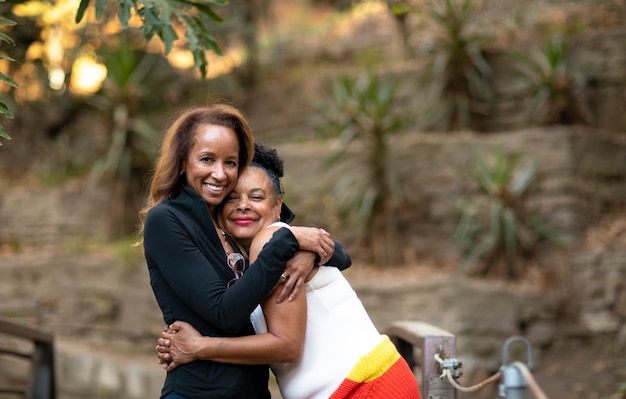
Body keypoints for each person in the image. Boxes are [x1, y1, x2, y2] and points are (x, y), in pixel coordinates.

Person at [156, 142, 421, 399]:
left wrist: (199, 347)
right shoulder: (266, 258)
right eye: (232, 198)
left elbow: (287, 346)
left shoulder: (270, 240)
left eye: (257, 196)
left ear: (278, 205)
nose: (243, 205)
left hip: (367, 387)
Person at [140, 104, 350, 399]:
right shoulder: (166, 219)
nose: (220, 173)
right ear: (183, 162)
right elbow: (223, 312)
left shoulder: (227, 224)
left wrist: (308, 252)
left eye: (230, 162)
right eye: (206, 159)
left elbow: (340, 254)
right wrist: (290, 241)